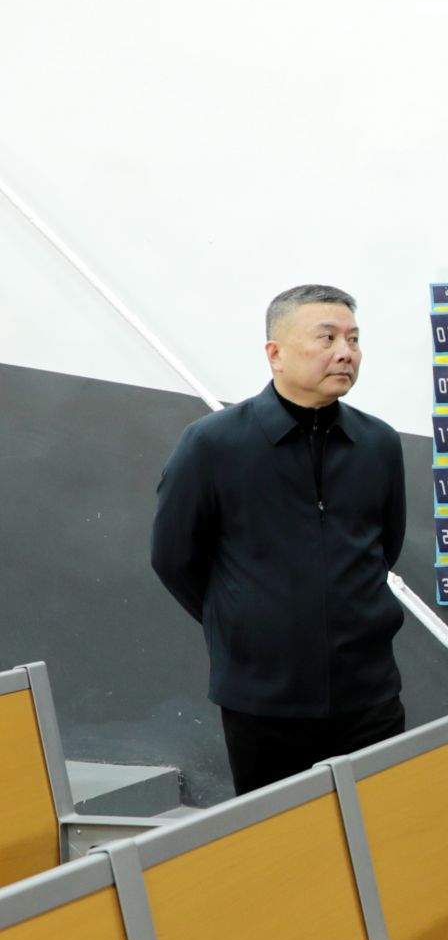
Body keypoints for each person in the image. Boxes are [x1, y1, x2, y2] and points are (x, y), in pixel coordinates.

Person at [151, 284, 408, 795]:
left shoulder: (378, 442)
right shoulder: (213, 443)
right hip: (262, 697)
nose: (345, 352)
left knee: (378, 826)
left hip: (369, 692)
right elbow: (173, 556)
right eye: (327, 338)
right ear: (275, 353)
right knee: (279, 835)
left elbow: (386, 547)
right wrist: (245, 618)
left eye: (354, 339)